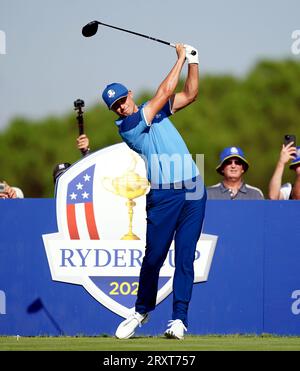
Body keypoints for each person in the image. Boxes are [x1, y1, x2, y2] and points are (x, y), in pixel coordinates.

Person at [101, 44, 206, 340]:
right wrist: (180, 58)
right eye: (115, 106)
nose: (121, 107)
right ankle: (142, 310)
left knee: (185, 256)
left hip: (194, 190)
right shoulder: (130, 126)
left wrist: (194, 62)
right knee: (155, 256)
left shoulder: (155, 112)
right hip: (163, 195)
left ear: (130, 94)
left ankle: (178, 320)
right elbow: (163, 92)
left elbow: (190, 94)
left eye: (122, 100)